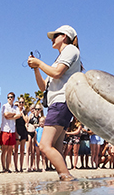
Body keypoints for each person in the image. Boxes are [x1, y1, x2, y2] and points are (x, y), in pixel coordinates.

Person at [27, 25, 81, 181]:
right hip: (58, 104)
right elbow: (44, 86)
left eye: (54, 36)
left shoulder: (70, 50)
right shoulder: (59, 58)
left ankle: (68, 178)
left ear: (64, 36)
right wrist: (36, 69)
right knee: (56, 147)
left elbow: (57, 73)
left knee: (44, 145)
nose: (51, 39)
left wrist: (40, 63)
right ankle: (64, 183)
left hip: (60, 103)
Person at [0, 92, 19, 173]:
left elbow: (19, 115)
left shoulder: (15, 107)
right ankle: (4, 168)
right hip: (5, 129)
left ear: (14, 98)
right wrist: (13, 115)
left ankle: (8, 167)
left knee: (10, 150)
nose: (10, 98)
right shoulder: (5, 106)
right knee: (4, 150)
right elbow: (6, 114)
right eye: (8, 97)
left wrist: (12, 116)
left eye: (11, 97)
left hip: (12, 130)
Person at [14, 97, 28, 172]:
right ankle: (16, 167)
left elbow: (26, 121)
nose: (21, 104)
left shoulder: (24, 112)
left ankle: (21, 167)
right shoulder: (15, 110)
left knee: (22, 150)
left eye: (22, 102)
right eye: (20, 102)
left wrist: (22, 113)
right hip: (17, 130)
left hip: (23, 130)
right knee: (16, 150)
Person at [26, 104, 42, 171]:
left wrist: (35, 126)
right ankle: (27, 166)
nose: (37, 111)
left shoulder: (40, 117)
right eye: (36, 109)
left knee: (33, 150)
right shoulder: (31, 115)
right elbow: (27, 123)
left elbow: (41, 124)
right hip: (30, 132)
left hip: (36, 133)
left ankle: (33, 165)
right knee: (28, 150)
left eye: (38, 109)